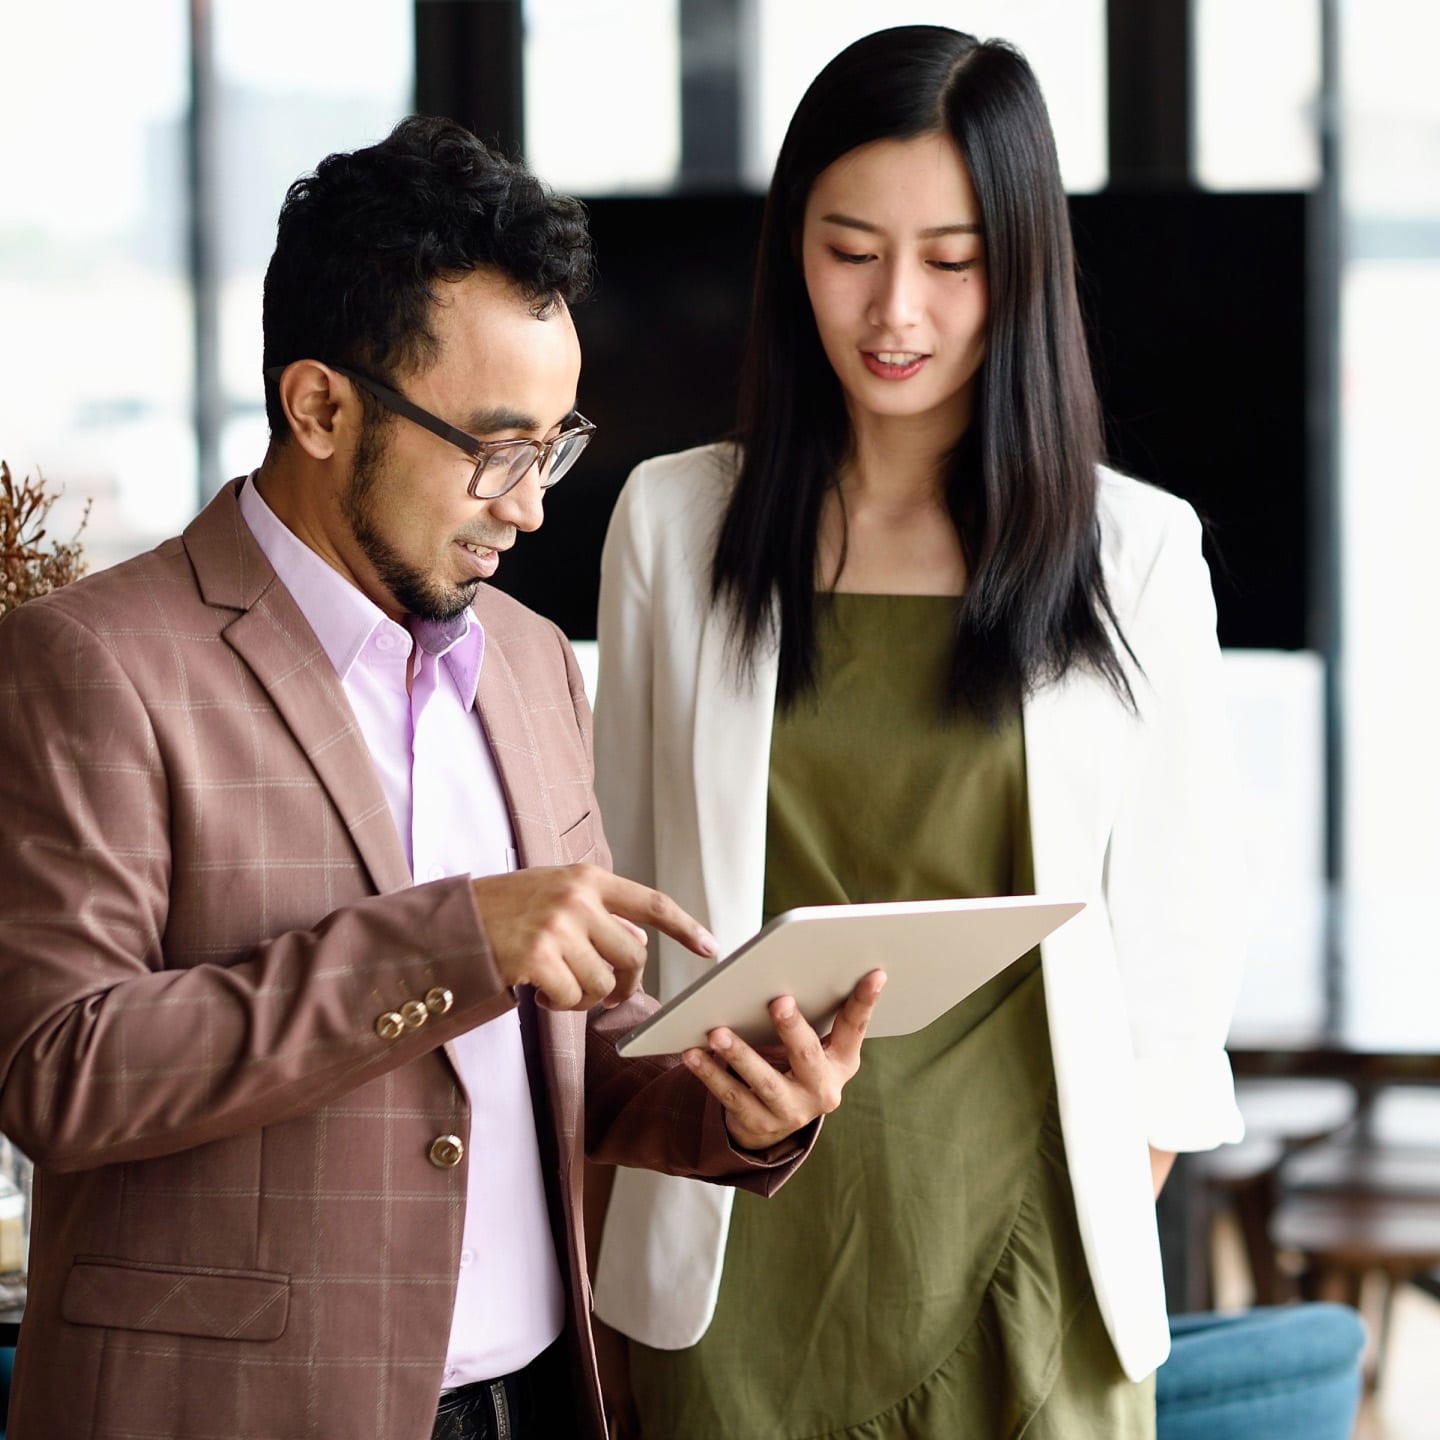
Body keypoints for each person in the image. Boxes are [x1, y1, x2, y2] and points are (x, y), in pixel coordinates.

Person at [0, 117, 885, 1440]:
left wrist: (733, 1103)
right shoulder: (92, 662)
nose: (527, 506)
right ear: (319, 407)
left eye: (553, 447)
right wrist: (455, 940)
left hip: (531, 1399)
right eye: (494, 449)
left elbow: (563, 1046)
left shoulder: (529, 661)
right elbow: (59, 1073)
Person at [590, 25, 1247, 1439]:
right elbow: (626, 930)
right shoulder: (673, 523)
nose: (898, 309)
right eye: (851, 249)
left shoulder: (1134, 552)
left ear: (1024, 270)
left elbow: (1178, 970)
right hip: (731, 1250)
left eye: (954, 260)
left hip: (1029, 1256)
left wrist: (1070, 1216)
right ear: (789, 254)